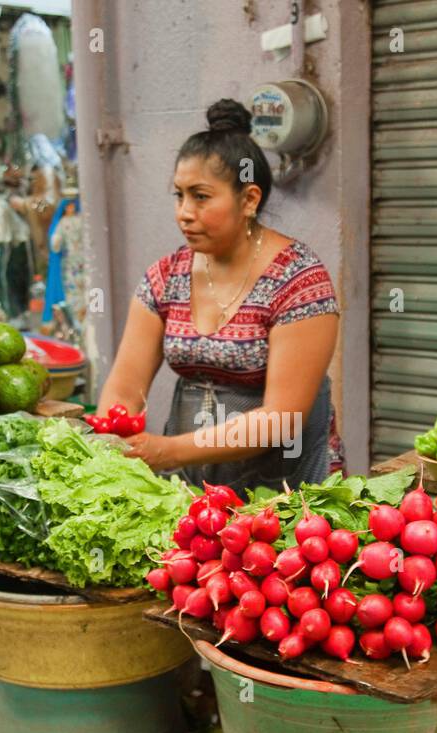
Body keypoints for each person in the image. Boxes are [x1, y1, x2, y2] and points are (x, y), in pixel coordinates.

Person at [96, 98, 344, 495]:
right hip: (192, 491)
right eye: (178, 195)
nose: (183, 212)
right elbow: (124, 390)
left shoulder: (298, 280)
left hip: (287, 495)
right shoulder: (166, 277)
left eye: (200, 196)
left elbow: (282, 418)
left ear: (249, 200)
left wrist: (170, 451)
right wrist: (112, 444)